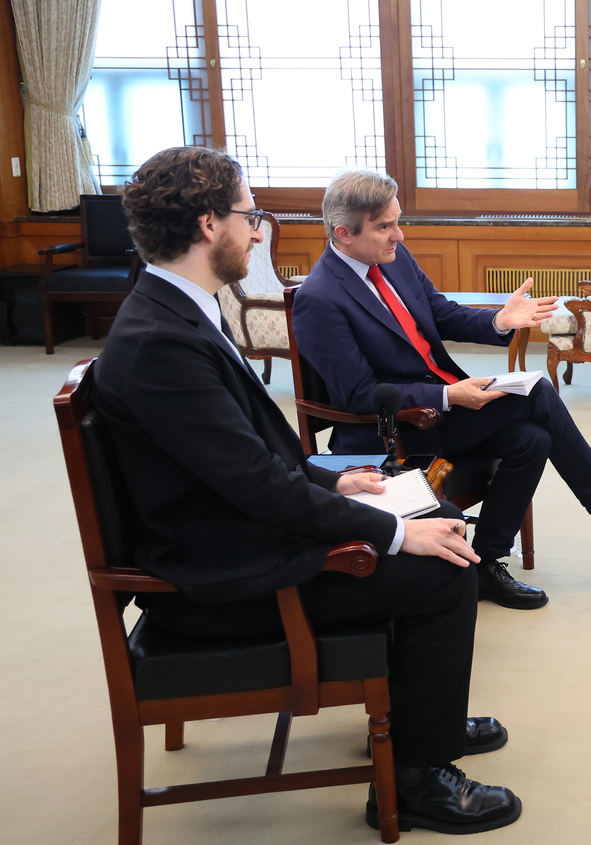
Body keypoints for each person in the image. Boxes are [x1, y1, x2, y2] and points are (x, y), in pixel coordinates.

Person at [94, 146, 522, 834]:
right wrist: (388, 529)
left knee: (428, 506)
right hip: (220, 580)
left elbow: (236, 460)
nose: (258, 231)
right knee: (440, 563)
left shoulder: (173, 309)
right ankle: (417, 776)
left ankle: (422, 714)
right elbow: (253, 485)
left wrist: (328, 474)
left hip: (224, 531)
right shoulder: (160, 343)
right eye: (248, 215)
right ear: (209, 225)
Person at [291, 170, 591, 611]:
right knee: (540, 393)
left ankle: (485, 562)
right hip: (395, 431)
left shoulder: (394, 258)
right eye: (386, 226)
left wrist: (498, 321)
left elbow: (443, 314)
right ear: (343, 233)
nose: (400, 234)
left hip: (444, 404)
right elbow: (359, 396)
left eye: (398, 221)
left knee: (533, 438)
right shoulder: (320, 298)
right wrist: (451, 397)